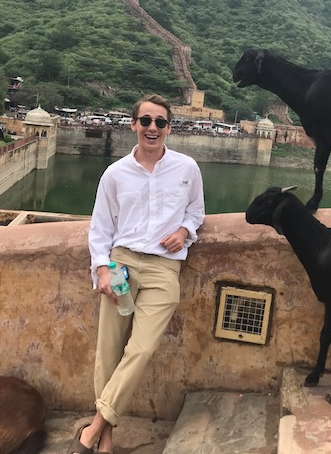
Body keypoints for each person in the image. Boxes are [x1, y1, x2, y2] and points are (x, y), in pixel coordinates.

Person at [68, 94, 205, 454]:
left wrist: (185, 232)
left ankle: (94, 427)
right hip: (121, 264)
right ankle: (107, 439)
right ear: (134, 125)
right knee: (109, 350)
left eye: (160, 122)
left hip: (163, 268)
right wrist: (100, 268)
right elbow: (100, 227)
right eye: (146, 121)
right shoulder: (115, 174)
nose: (152, 128)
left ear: (169, 128)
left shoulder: (187, 169)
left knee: (141, 350)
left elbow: (196, 212)